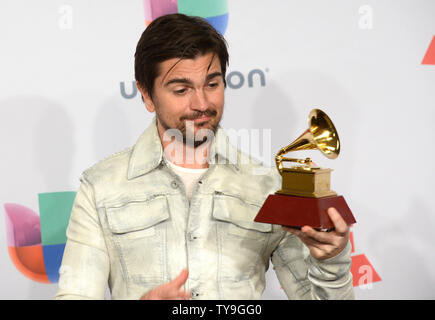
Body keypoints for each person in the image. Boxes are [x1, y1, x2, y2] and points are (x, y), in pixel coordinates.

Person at [55, 13, 354, 300]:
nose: (202, 103)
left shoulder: (268, 186)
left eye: (212, 84)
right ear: (146, 95)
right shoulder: (100, 187)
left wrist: (333, 261)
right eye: (182, 89)